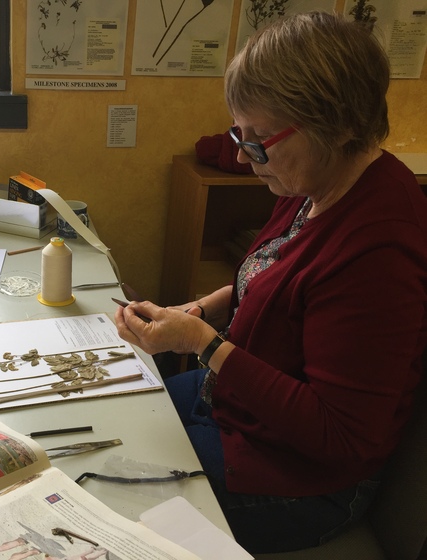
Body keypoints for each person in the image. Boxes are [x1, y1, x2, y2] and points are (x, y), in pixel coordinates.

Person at [115, 11, 427, 555]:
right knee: (114, 413)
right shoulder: (317, 181)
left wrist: (201, 345)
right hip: (241, 414)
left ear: (338, 125)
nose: (241, 155)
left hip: (304, 483)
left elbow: (339, 435)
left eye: (259, 139)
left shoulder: (380, 250)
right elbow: (272, 277)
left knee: (111, 492)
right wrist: (201, 310)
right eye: (240, 133)